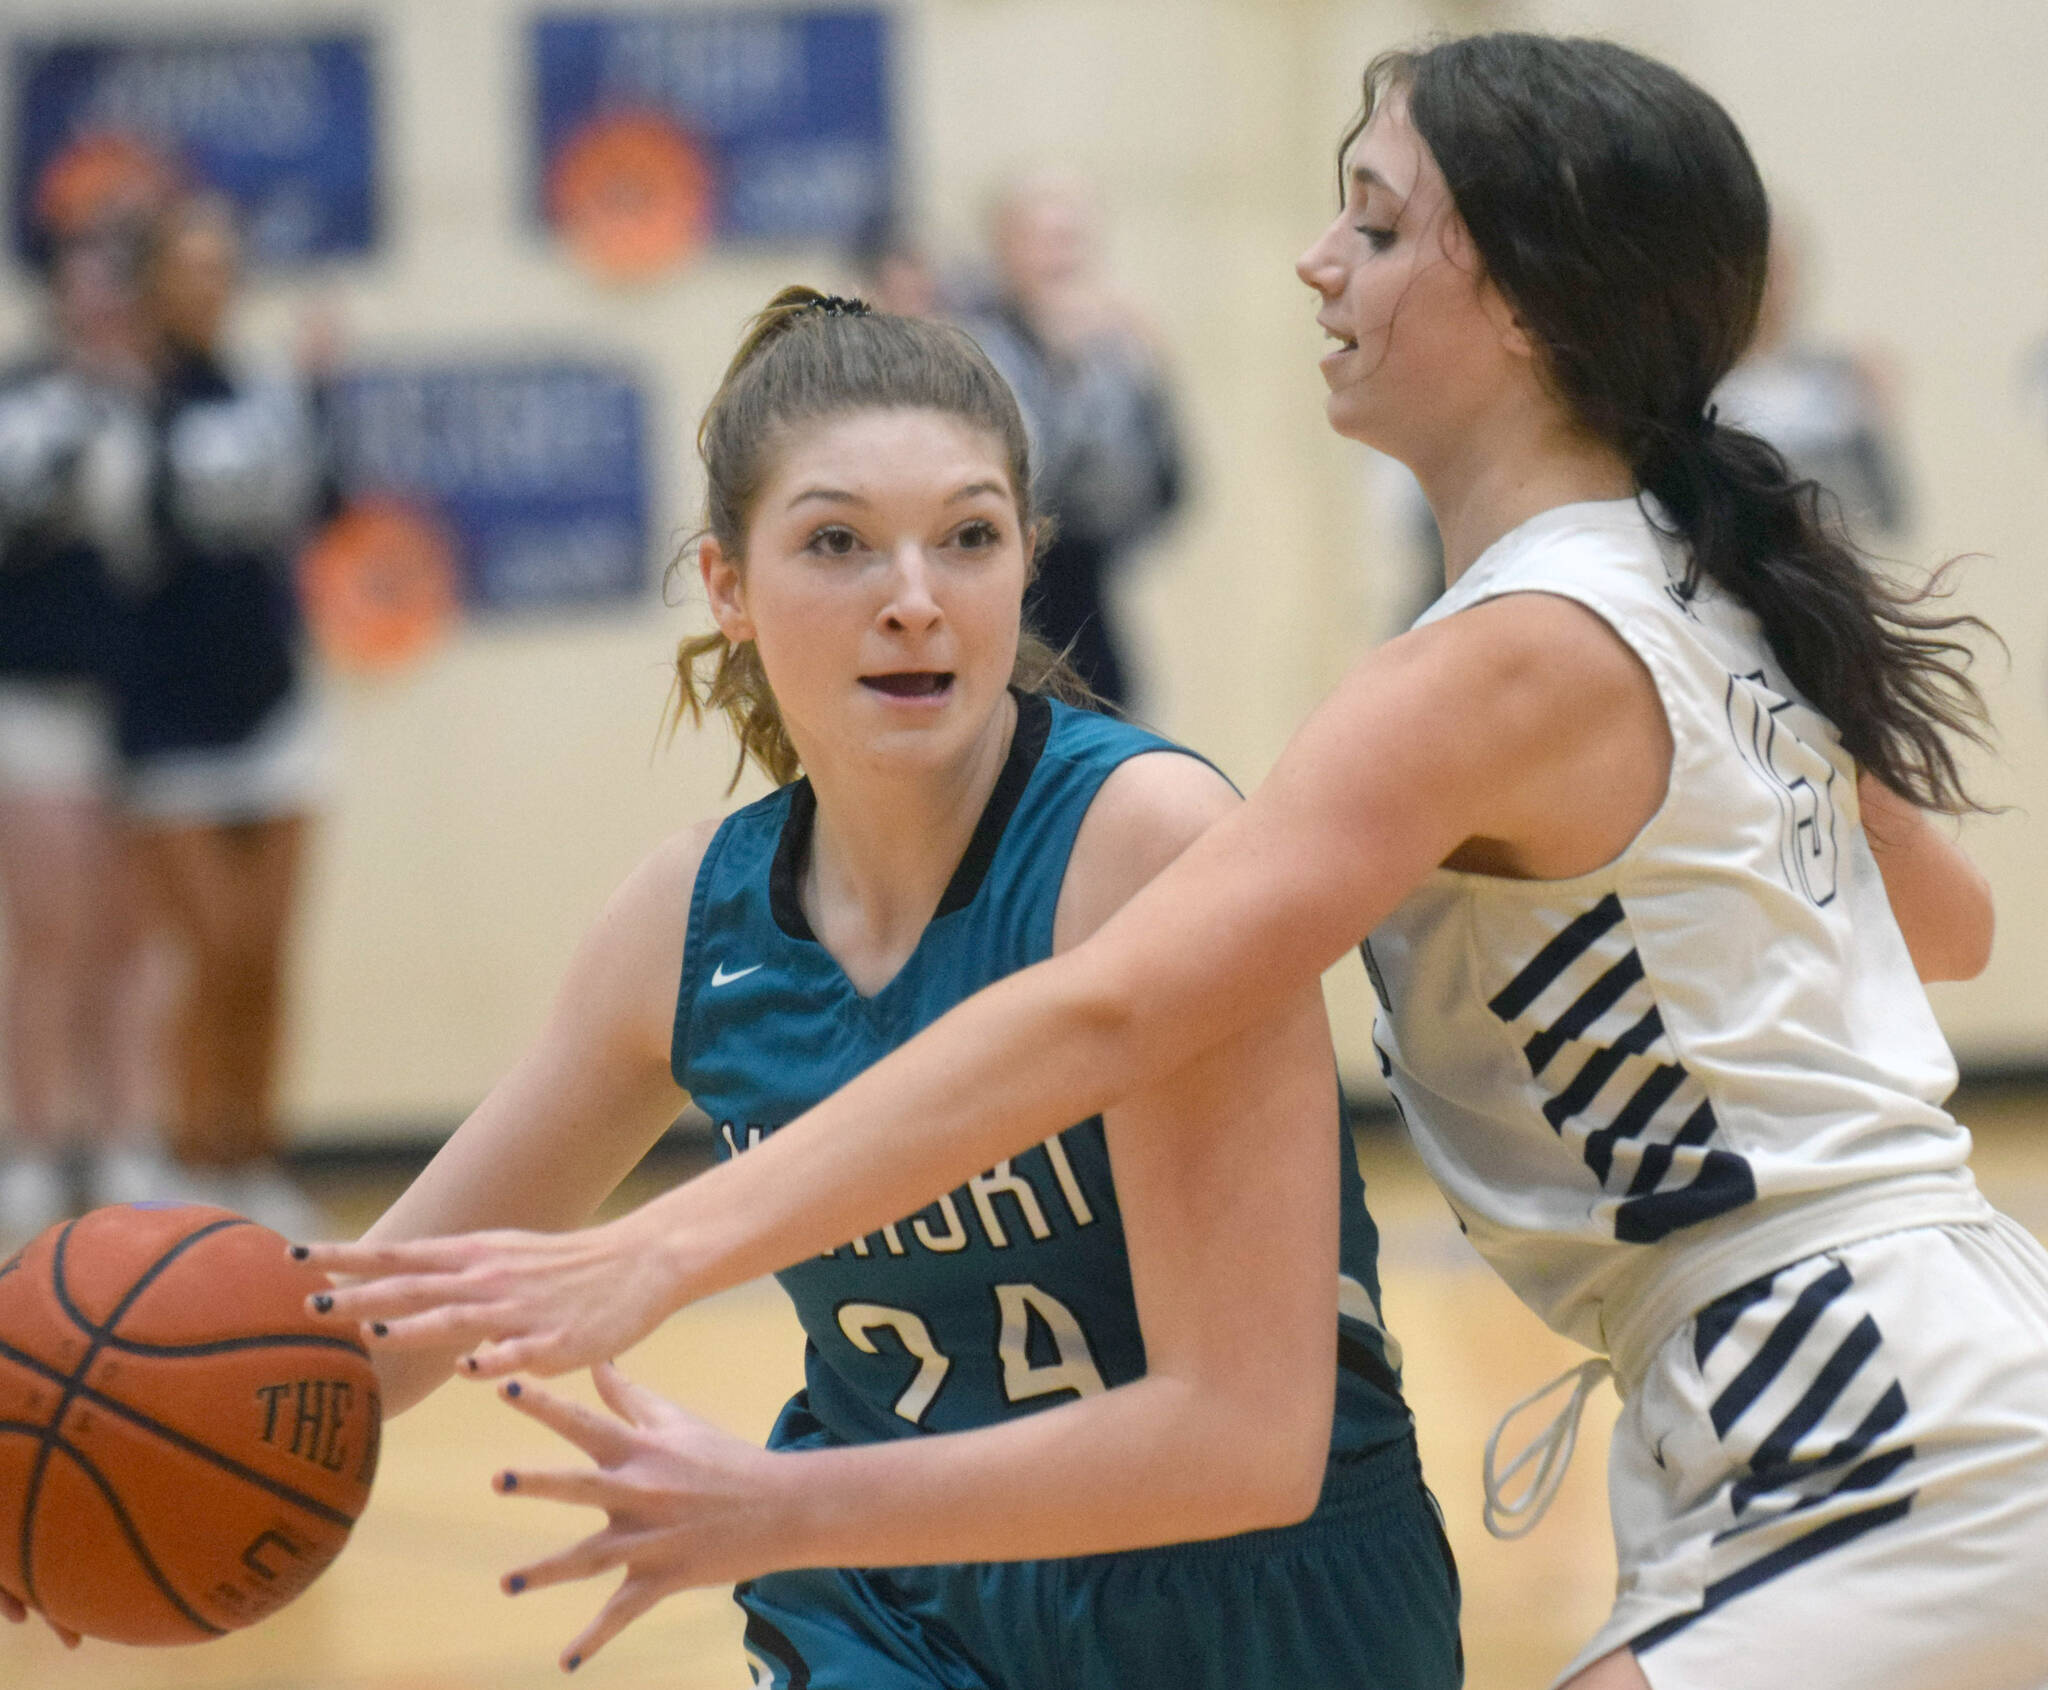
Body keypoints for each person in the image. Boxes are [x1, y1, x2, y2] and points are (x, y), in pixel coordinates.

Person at [302, 34, 2048, 1690]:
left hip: (1841, 1384)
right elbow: (1947, 929)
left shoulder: (1495, 659)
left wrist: (665, 1253)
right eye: (835, 542)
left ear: (1517, 300)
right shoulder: (1678, 589)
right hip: (1883, 1347)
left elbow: (1109, 1012)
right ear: (730, 589)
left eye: (1370, 223)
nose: (1313, 264)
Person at [138, 288, 1459, 1684]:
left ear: (1028, 561)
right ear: (727, 585)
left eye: (970, 537)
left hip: (1249, 1607)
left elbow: (1238, 1441)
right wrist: (95, 1451)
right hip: (892, 1604)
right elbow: (394, 1319)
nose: (914, 597)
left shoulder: (1143, 844)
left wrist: (774, 1504)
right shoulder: (688, 924)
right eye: (836, 541)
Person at [111, 192, 334, 1237]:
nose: (208, 280)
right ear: (152, 281)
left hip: (274, 704)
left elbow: (325, 505)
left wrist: (326, 395)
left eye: (221, 261)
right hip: (166, 722)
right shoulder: (114, 400)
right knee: (207, 951)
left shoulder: (268, 392)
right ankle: (192, 1155)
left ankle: (254, 1154)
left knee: (265, 954)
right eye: (187, 263)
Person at [0, 220, 163, 1244]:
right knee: (49, 932)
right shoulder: (27, 403)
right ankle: (33, 1145)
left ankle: (124, 1137)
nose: (99, 304)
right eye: (84, 285)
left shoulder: (166, 402)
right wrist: (86, 410)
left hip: (146, 711)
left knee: (131, 938)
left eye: (118, 285)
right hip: (38, 698)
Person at [961, 173, 1184, 709]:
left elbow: (1164, 496)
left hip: (1090, 608)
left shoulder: (1112, 353)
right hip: (1003, 617)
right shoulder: (971, 349)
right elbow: (1019, 492)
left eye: (1075, 240)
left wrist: (1152, 384)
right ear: (1004, 249)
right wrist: (1060, 375)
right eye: (1047, 239)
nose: (1064, 258)